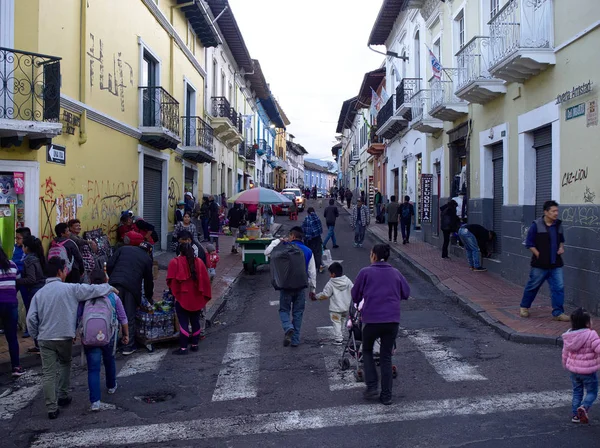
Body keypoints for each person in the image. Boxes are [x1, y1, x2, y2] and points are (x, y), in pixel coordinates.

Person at [26, 257, 118, 419]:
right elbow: (92, 290)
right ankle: (63, 395)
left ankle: (51, 408)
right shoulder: (71, 288)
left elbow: (31, 319)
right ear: (60, 272)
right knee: (64, 364)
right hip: (64, 336)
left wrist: (36, 335)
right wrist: (110, 288)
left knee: (48, 373)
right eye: (64, 269)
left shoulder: (39, 294)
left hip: (45, 338)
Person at [351, 244, 410, 406]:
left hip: (371, 320)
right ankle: (387, 396)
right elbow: (406, 292)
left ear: (374, 256)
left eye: (371, 253)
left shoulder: (365, 272)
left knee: (367, 350)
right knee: (385, 357)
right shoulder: (396, 273)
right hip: (392, 321)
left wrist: (361, 300)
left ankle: (372, 386)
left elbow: (355, 295)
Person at [80, 268, 129, 411]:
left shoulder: (85, 296)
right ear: (106, 280)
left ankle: (95, 401)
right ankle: (111, 385)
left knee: (93, 369)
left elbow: (79, 316)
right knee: (109, 360)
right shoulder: (113, 296)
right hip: (109, 335)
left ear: (90, 281)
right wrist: (125, 334)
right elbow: (123, 317)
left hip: (90, 336)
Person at [265, 226, 317, 347]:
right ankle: (295, 340)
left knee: (284, 310)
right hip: (300, 287)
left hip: (286, 287)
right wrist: (312, 290)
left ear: (292, 236)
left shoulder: (283, 248)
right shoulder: (308, 251)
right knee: (298, 313)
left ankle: (288, 327)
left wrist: (278, 241)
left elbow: (267, 253)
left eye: (289, 235)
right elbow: (312, 272)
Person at [519, 200, 569, 321]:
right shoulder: (536, 225)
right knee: (533, 286)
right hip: (539, 265)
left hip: (555, 263)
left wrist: (561, 248)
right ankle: (524, 307)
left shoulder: (558, 225)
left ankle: (558, 312)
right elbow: (529, 243)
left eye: (557, 211)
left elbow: (562, 240)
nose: (556, 213)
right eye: (553, 211)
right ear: (546, 212)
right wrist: (538, 255)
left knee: (559, 287)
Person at [107, 241, 154, 355]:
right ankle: (128, 346)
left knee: (111, 314)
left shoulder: (124, 249)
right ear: (149, 251)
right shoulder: (147, 259)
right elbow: (149, 281)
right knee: (128, 315)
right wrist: (148, 298)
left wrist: (114, 277)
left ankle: (109, 344)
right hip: (130, 288)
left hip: (113, 285)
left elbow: (109, 265)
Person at [167, 241, 211, 355]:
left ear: (180, 252)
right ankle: (195, 345)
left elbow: (170, 281)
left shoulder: (175, 262)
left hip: (182, 297)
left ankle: (183, 348)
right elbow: (206, 280)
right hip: (196, 296)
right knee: (195, 321)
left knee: (183, 322)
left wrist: (174, 293)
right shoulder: (199, 262)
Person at [562, 308, 600, 424]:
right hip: (588, 371)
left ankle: (575, 416)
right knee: (592, 392)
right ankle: (584, 407)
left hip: (574, 371)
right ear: (587, 323)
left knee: (577, 392)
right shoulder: (591, 334)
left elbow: (565, 352)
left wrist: (565, 363)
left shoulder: (569, 336)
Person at [16, 236, 46, 349]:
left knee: (34, 319)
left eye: (23, 246)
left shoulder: (29, 260)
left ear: (27, 248)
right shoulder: (38, 257)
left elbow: (31, 279)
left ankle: (38, 346)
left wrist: (17, 280)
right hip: (41, 289)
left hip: (34, 290)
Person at [0, 246, 25, 377]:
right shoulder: (12, 264)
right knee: (12, 338)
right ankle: (16, 367)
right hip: (11, 304)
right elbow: (18, 280)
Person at [316, 262, 353, 345]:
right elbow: (353, 289)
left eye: (330, 273)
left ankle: (338, 339)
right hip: (346, 307)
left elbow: (325, 295)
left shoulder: (331, 283)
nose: (329, 275)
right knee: (343, 321)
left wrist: (316, 297)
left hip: (335, 308)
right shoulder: (347, 281)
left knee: (336, 322)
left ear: (333, 274)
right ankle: (342, 335)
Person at [13, 227, 31, 335]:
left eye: (18, 238)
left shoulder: (29, 250)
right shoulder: (16, 247)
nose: (16, 240)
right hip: (15, 279)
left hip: (24, 280)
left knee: (28, 303)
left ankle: (29, 328)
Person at [302, 207, 324, 273]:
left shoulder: (307, 219)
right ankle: (319, 266)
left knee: (311, 253)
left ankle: (312, 267)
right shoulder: (317, 217)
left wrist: (305, 238)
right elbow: (320, 227)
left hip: (310, 239)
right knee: (318, 253)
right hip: (318, 238)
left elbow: (305, 229)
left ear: (308, 212)